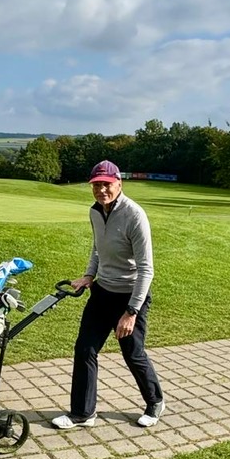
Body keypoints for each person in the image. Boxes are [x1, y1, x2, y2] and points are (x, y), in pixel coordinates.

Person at [52, 160, 164, 430]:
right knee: (85, 349)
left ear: (119, 184)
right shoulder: (95, 211)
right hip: (102, 292)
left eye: (106, 184)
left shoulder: (135, 215)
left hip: (130, 296)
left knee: (133, 353)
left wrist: (131, 312)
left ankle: (155, 401)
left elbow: (147, 269)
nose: (101, 190)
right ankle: (83, 413)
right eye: (96, 185)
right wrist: (89, 275)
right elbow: (97, 248)